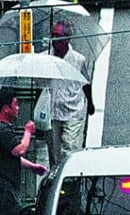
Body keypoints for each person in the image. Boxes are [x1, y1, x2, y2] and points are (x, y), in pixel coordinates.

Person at [0, 87, 47, 215]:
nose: (18, 108)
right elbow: (19, 150)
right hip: (0, 192)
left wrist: (32, 166)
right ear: (5, 108)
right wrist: (27, 131)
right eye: (15, 104)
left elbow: (10, 156)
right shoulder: (0, 129)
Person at [46, 20, 95, 167]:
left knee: (69, 148)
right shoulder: (47, 58)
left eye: (58, 36)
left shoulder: (78, 60)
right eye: (52, 35)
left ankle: (69, 179)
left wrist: (90, 103)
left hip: (73, 110)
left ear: (67, 39)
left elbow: (86, 82)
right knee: (53, 153)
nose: (54, 40)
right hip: (53, 111)